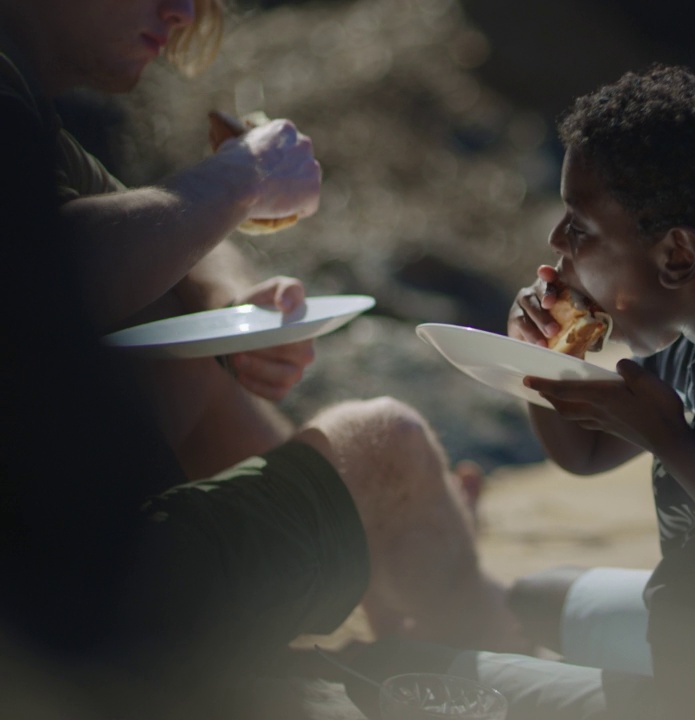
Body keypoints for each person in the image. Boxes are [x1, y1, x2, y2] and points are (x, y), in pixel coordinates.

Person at [336, 64, 695, 720]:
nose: (558, 242)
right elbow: (584, 455)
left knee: (388, 679)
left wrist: (674, 444)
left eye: (580, 227)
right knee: (533, 596)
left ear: (676, 254)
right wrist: (543, 362)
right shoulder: (694, 329)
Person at [0, 0, 524, 689]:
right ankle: (509, 658)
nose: (183, 12)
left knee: (185, 362)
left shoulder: (32, 111)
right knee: (388, 443)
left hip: (62, 582)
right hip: (69, 617)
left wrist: (232, 302)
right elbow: (45, 275)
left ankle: (395, 558)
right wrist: (236, 176)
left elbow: (157, 232)